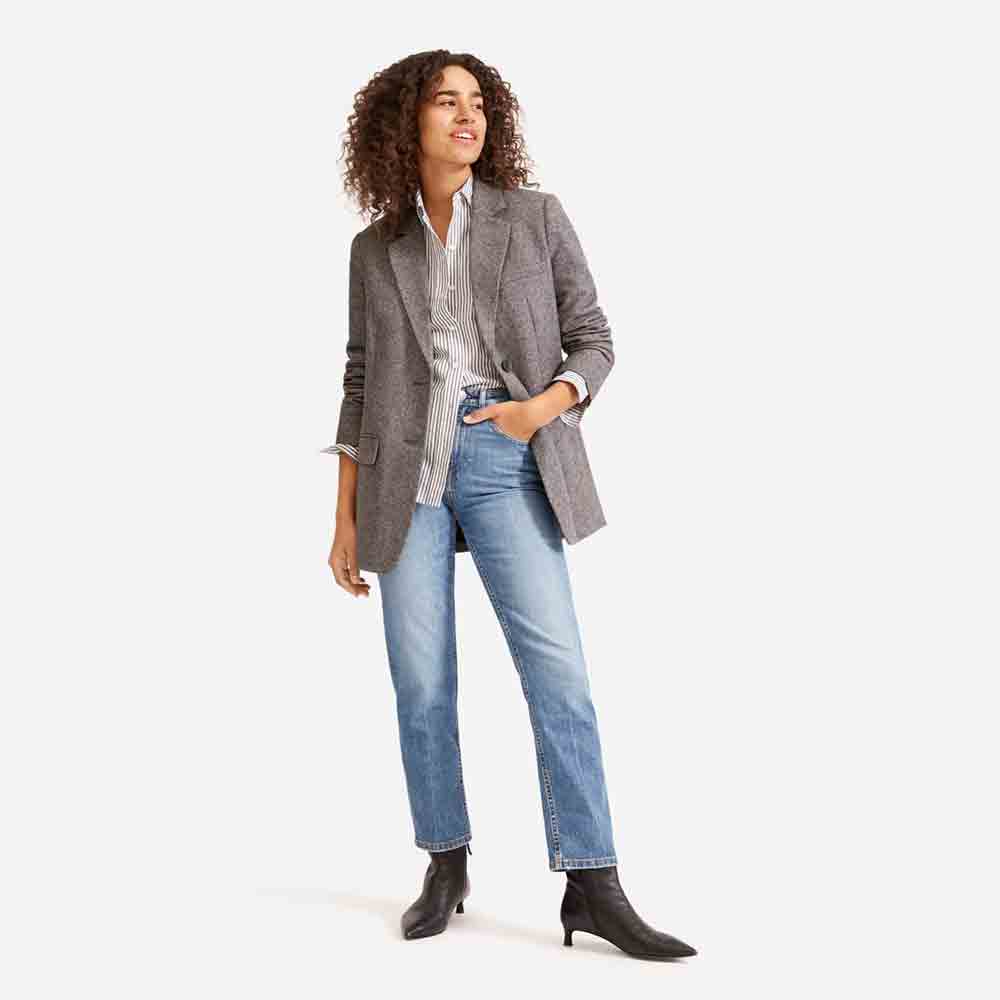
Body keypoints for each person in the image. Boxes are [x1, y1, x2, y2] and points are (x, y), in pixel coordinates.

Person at [323, 50, 697, 960]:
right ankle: (445, 862)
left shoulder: (533, 217)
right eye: (445, 101)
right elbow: (361, 379)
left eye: (478, 102)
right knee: (421, 681)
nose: (468, 116)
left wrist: (541, 408)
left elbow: (595, 338)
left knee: (558, 672)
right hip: (404, 476)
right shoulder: (375, 248)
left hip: (506, 454)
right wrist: (343, 516)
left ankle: (592, 881)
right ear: (404, 123)